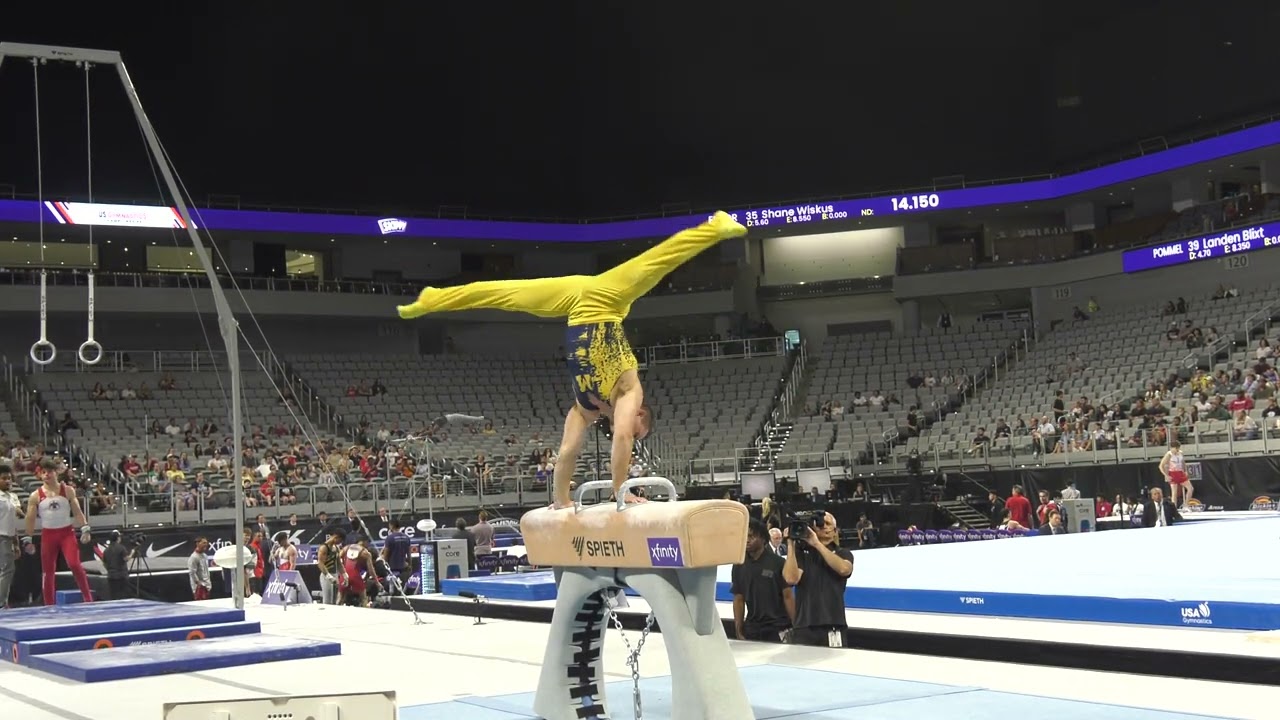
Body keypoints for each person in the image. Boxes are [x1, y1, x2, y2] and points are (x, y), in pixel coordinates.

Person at [397, 211, 748, 508]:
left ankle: (434, 298)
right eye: (638, 429)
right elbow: (622, 438)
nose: (626, 428)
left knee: (506, 294)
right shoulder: (631, 391)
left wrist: (561, 501)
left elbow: (567, 451)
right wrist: (621, 492)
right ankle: (715, 226)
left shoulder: (585, 408)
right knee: (658, 261)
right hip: (606, 298)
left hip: (575, 304)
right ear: (640, 414)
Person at [25, 458, 93, 604]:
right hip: (48, 535)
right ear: (40, 475)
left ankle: (88, 598)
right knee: (48, 571)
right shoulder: (35, 495)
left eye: (49, 472)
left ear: (56, 473)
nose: (47, 475)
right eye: (44, 472)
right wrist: (28, 538)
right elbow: (30, 518)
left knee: (75, 564)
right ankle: (49, 604)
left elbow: (77, 511)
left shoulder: (67, 490)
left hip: (66, 534)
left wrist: (85, 528)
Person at [781, 511, 854, 647]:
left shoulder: (843, 553)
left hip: (833, 624)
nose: (823, 526)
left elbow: (844, 569)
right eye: (820, 524)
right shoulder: (802, 553)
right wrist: (790, 544)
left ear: (835, 531)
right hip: (804, 625)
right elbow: (791, 579)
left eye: (827, 523)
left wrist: (816, 544)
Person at [731, 520, 794, 642]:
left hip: (778, 627)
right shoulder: (739, 564)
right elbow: (739, 599)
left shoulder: (778, 562)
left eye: (751, 536)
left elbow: (788, 596)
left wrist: (795, 626)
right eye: (745, 536)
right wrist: (738, 629)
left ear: (763, 538)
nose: (747, 540)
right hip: (752, 627)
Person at [0, 462, 24, 608]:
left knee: (6, 569)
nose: (7, 481)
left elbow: (14, 520)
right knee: (7, 569)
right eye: (4, 478)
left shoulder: (13, 497)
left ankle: (3, 602)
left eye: (9, 478)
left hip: (8, 537)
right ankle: (1, 604)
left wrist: (16, 543)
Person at [339, 534, 380, 607]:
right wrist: (377, 582)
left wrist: (340, 573)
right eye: (368, 543)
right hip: (355, 576)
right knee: (363, 598)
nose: (368, 546)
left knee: (340, 599)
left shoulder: (346, 548)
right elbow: (371, 570)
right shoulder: (366, 553)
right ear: (365, 542)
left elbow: (337, 560)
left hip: (344, 576)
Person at [1159, 441, 1193, 509]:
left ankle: (1186, 505)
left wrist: (1185, 471)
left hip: (1180, 472)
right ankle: (1174, 508)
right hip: (1173, 473)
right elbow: (1161, 466)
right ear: (1172, 448)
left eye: (1178, 448)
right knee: (1174, 493)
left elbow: (1183, 462)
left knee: (1190, 488)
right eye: (1176, 448)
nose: (1177, 450)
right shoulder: (1169, 454)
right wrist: (1166, 475)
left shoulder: (1180, 453)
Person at [316, 528, 345, 605]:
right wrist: (329, 576)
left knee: (334, 601)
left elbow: (338, 563)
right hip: (326, 576)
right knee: (327, 601)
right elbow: (320, 563)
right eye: (340, 541)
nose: (340, 543)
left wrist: (344, 574)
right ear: (336, 537)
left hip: (335, 575)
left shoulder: (336, 548)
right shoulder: (324, 547)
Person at [380, 518, 412, 589]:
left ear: (391, 526)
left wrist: (384, 566)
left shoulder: (389, 538)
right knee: (402, 587)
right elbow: (409, 554)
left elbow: (386, 555)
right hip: (403, 567)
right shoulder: (406, 537)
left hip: (392, 568)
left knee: (393, 588)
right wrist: (410, 565)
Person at [101, 532, 134, 600]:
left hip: (111, 576)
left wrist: (110, 570)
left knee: (114, 595)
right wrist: (132, 553)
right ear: (118, 538)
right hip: (121, 576)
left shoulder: (106, 550)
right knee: (123, 595)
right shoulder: (121, 548)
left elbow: (104, 563)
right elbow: (126, 559)